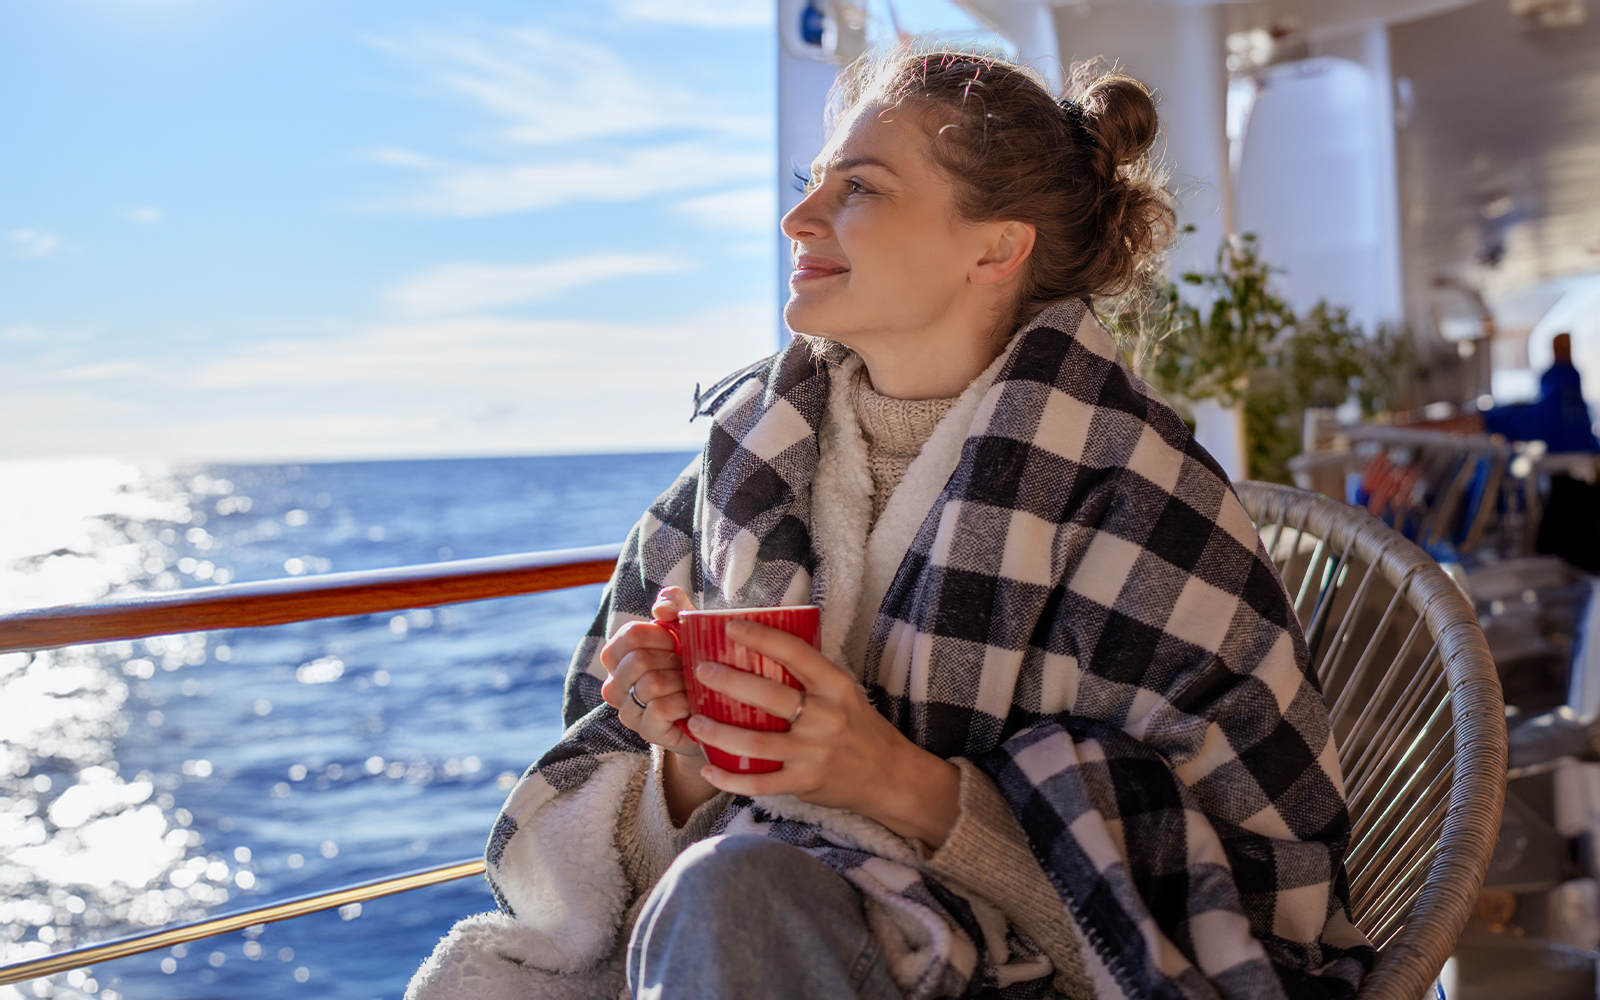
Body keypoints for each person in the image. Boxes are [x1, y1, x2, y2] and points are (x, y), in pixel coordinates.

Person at [407, 46, 1372, 1000]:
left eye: (858, 188)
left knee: (729, 893)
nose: (797, 218)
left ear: (995, 246)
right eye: (809, 182)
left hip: (1000, 965)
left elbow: (1256, 891)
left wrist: (895, 783)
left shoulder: (1144, 498)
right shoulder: (742, 466)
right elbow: (596, 827)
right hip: (749, 944)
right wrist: (686, 763)